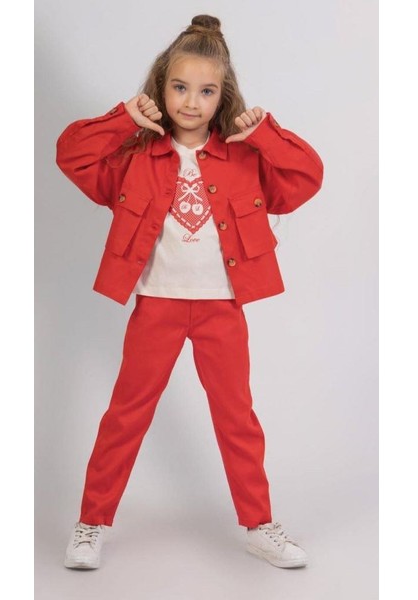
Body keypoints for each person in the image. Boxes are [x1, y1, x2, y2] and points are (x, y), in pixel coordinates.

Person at [56, 14, 324, 571]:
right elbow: (71, 153)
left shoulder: (245, 156)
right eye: (180, 87)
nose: (192, 102)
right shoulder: (134, 157)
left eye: (206, 91)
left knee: (237, 419)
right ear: (161, 87)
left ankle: (259, 525)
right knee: (125, 415)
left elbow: (307, 177)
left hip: (221, 308)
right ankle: (91, 523)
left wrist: (265, 133)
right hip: (156, 305)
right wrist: (124, 118)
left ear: (223, 96)